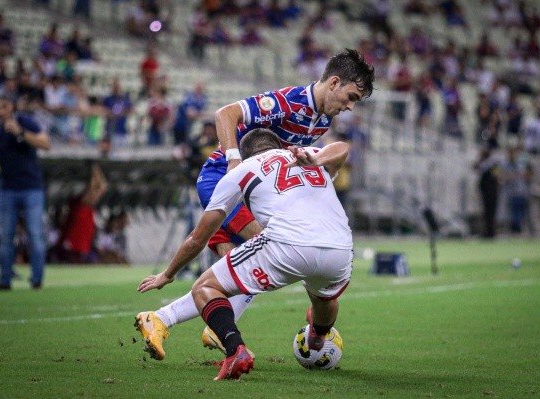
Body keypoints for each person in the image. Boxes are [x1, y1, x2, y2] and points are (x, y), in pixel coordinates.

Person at [152, 49, 372, 355]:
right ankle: (170, 319)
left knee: (249, 258)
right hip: (223, 177)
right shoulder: (289, 101)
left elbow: (332, 152)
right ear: (334, 82)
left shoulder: (320, 121)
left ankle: (189, 322)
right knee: (267, 246)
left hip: (256, 186)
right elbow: (225, 114)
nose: (350, 106)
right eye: (351, 97)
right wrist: (233, 161)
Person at [135, 129, 353, 381]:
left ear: (243, 152)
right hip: (340, 249)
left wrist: (168, 274)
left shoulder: (240, 169)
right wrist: (316, 160)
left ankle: (233, 347)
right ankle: (317, 337)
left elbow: (197, 238)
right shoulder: (306, 153)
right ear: (278, 144)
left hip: (287, 244)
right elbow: (342, 148)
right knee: (323, 299)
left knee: (205, 287)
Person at [0, 94, 51, 291]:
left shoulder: (25, 122)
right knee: (5, 235)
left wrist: (21, 133)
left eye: (2, 107)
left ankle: (37, 279)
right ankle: (4, 280)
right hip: (6, 187)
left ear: (11, 107)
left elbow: (45, 144)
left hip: (32, 187)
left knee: (35, 234)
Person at [54, 161, 108, 264]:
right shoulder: (82, 204)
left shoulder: (86, 205)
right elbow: (98, 187)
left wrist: (95, 169)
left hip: (80, 242)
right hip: (73, 243)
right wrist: (94, 168)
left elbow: (102, 187)